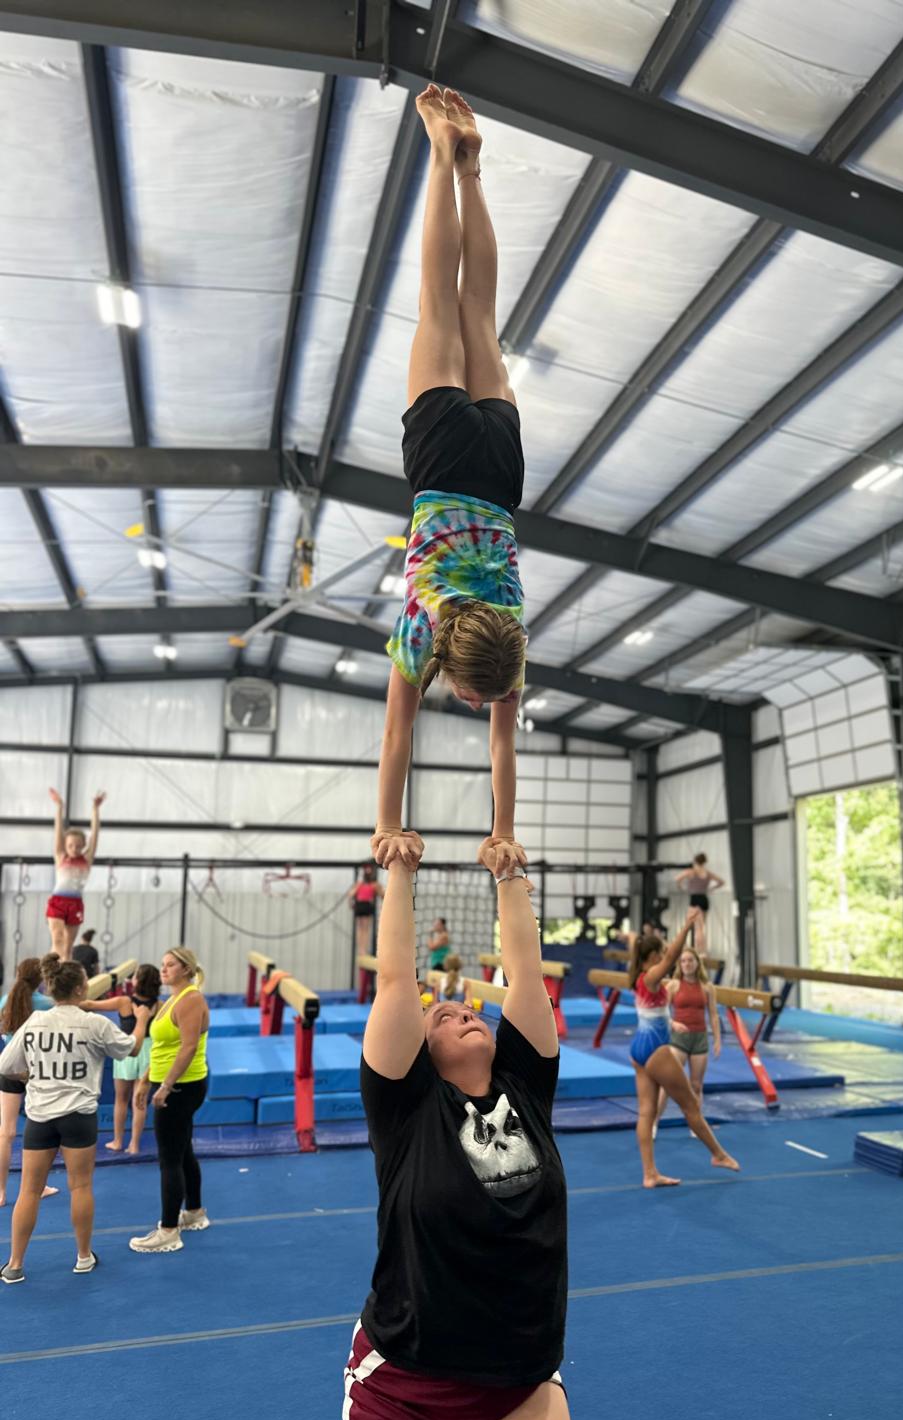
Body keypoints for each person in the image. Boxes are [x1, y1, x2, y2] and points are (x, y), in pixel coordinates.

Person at [344, 832, 583, 1420]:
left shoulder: (527, 1087)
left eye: (467, 1010)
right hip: (410, 1379)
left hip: (518, 1376)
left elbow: (524, 977)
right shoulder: (408, 1106)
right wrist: (399, 874)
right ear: (420, 1046)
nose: (460, 1013)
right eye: (441, 1015)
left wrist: (511, 875)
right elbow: (395, 985)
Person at [370, 87, 527, 882]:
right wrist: (387, 825)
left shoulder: (509, 633)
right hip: (439, 463)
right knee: (442, 299)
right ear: (461, 672)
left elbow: (502, 742)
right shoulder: (427, 632)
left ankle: (472, 171)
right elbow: (397, 738)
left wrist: (505, 830)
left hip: (501, 472)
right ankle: (440, 148)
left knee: (480, 311)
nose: (473, 705)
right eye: (470, 696)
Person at [0, 960, 149, 1283]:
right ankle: (83, 1257)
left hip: (41, 1116)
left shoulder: (35, 1021)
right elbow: (132, 1049)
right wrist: (142, 1020)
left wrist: (35, 1077)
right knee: (80, 1186)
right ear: (82, 989)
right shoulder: (94, 1024)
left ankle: (14, 1264)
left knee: (28, 1191)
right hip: (79, 1116)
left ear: (51, 989)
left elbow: (5, 1065)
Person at [627, 912, 739, 1189]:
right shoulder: (652, 975)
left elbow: (653, 1012)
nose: (666, 956)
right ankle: (718, 1154)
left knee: (646, 1113)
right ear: (652, 956)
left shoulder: (642, 980)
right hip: (655, 1050)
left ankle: (650, 1173)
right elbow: (671, 957)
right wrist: (687, 926)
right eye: (661, 953)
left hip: (639, 1047)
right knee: (690, 1105)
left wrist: (672, 1022)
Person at [128, 948, 210, 1254]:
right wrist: (145, 1078)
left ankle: (168, 1231)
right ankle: (194, 1212)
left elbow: (187, 1048)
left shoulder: (190, 999)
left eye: (170, 965)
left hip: (182, 1088)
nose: (164, 969)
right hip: (173, 1084)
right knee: (182, 1149)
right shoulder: (172, 1000)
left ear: (186, 968)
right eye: (162, 964)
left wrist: (165, 1086)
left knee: (169, 1159)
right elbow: (163, 1047)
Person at [82, 963, 161, 1155]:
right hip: (149, 1050)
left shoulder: (124, 1002)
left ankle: (117, 1141)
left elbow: (91, 1005)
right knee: (139, 1100)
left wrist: (64, 1001)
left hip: (127, 1048)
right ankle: (134, 1144)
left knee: (121, 1099)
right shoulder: (160, 1006)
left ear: (136, 981)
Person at [0, 958, 59, 1207]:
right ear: (42, 978)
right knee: (41, 1134)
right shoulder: (47, 1004)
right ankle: (39, 1186)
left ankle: (0, 1192)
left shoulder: (5, 1000)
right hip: (38, 1071)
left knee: (6, 1132)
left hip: (10, 1069)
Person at [45, 788, 106, 959]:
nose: (74, 849)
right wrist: (59, 806)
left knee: (68, 947)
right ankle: (53, 974)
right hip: (58, 901)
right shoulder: (60, 856)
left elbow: (95, 835)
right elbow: (58, 830)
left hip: (75, 903)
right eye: (71, 845)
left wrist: (95, 809)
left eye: (79, 846)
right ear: (65, 845)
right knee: (57, 939)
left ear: (83, 846)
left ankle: (66, 979)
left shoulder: (86, 858)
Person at [664, 947, 721, 1126]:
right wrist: (673, 1024)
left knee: (696, 1085)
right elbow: (662, 1012)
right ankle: (654, 1123)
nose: (687, 964)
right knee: (670, 1081)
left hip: (699, 1038)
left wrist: (717, 1039)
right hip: (679, 1038)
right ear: (680, 965)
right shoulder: (673, 985)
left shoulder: (707, 987)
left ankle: (695, 1124)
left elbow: (713, 1014)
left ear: (697, 963)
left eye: (690, 960)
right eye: (683, 961)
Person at [674, 853, 725, 956]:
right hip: (704, 899)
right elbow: (721, 882)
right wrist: (710, 888)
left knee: (696, 928)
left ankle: (700, 951)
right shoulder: (707, 873)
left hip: (695, 899)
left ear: (695, 861)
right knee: (701, 927)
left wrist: (682, 887)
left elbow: (677, 878)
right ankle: (701, 950)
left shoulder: (692, 872)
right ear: (704, 862)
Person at [349, 865, 383, 962]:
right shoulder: (363, 884)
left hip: (364, 904)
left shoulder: (373, 884)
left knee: (364, 928)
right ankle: (362, 950)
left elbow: (382, 894)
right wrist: (351, 903)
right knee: (363, 929)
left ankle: (362, 950)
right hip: (362, 905)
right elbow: (351, 894)